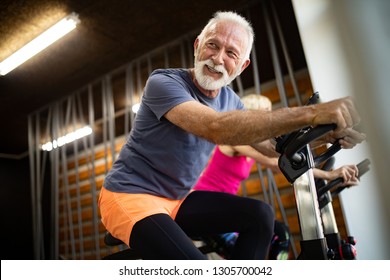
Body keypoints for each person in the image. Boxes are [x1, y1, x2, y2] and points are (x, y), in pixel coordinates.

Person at [98, 11, 365, 260]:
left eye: (230, 53)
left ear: (242, 65)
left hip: (178, 199)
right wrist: (312, 114)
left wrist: (325, 136)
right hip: (129, 195)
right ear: (197, 45)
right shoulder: (164, 82)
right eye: (212, 45)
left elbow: (273, 148)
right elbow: (215, 127)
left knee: (261, 215)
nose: (217, 58)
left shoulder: (230, 100)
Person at [193, 94, 360, 259]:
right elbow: (275, 161)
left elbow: (283, 155)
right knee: (247, 250)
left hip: (227, 206)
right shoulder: (237, 140)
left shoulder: (257, 144)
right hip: (208, 203)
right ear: (253, 114)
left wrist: (328, 139)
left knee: (282, 235)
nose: (270, 118)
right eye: (265, 112)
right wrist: (329, 175)